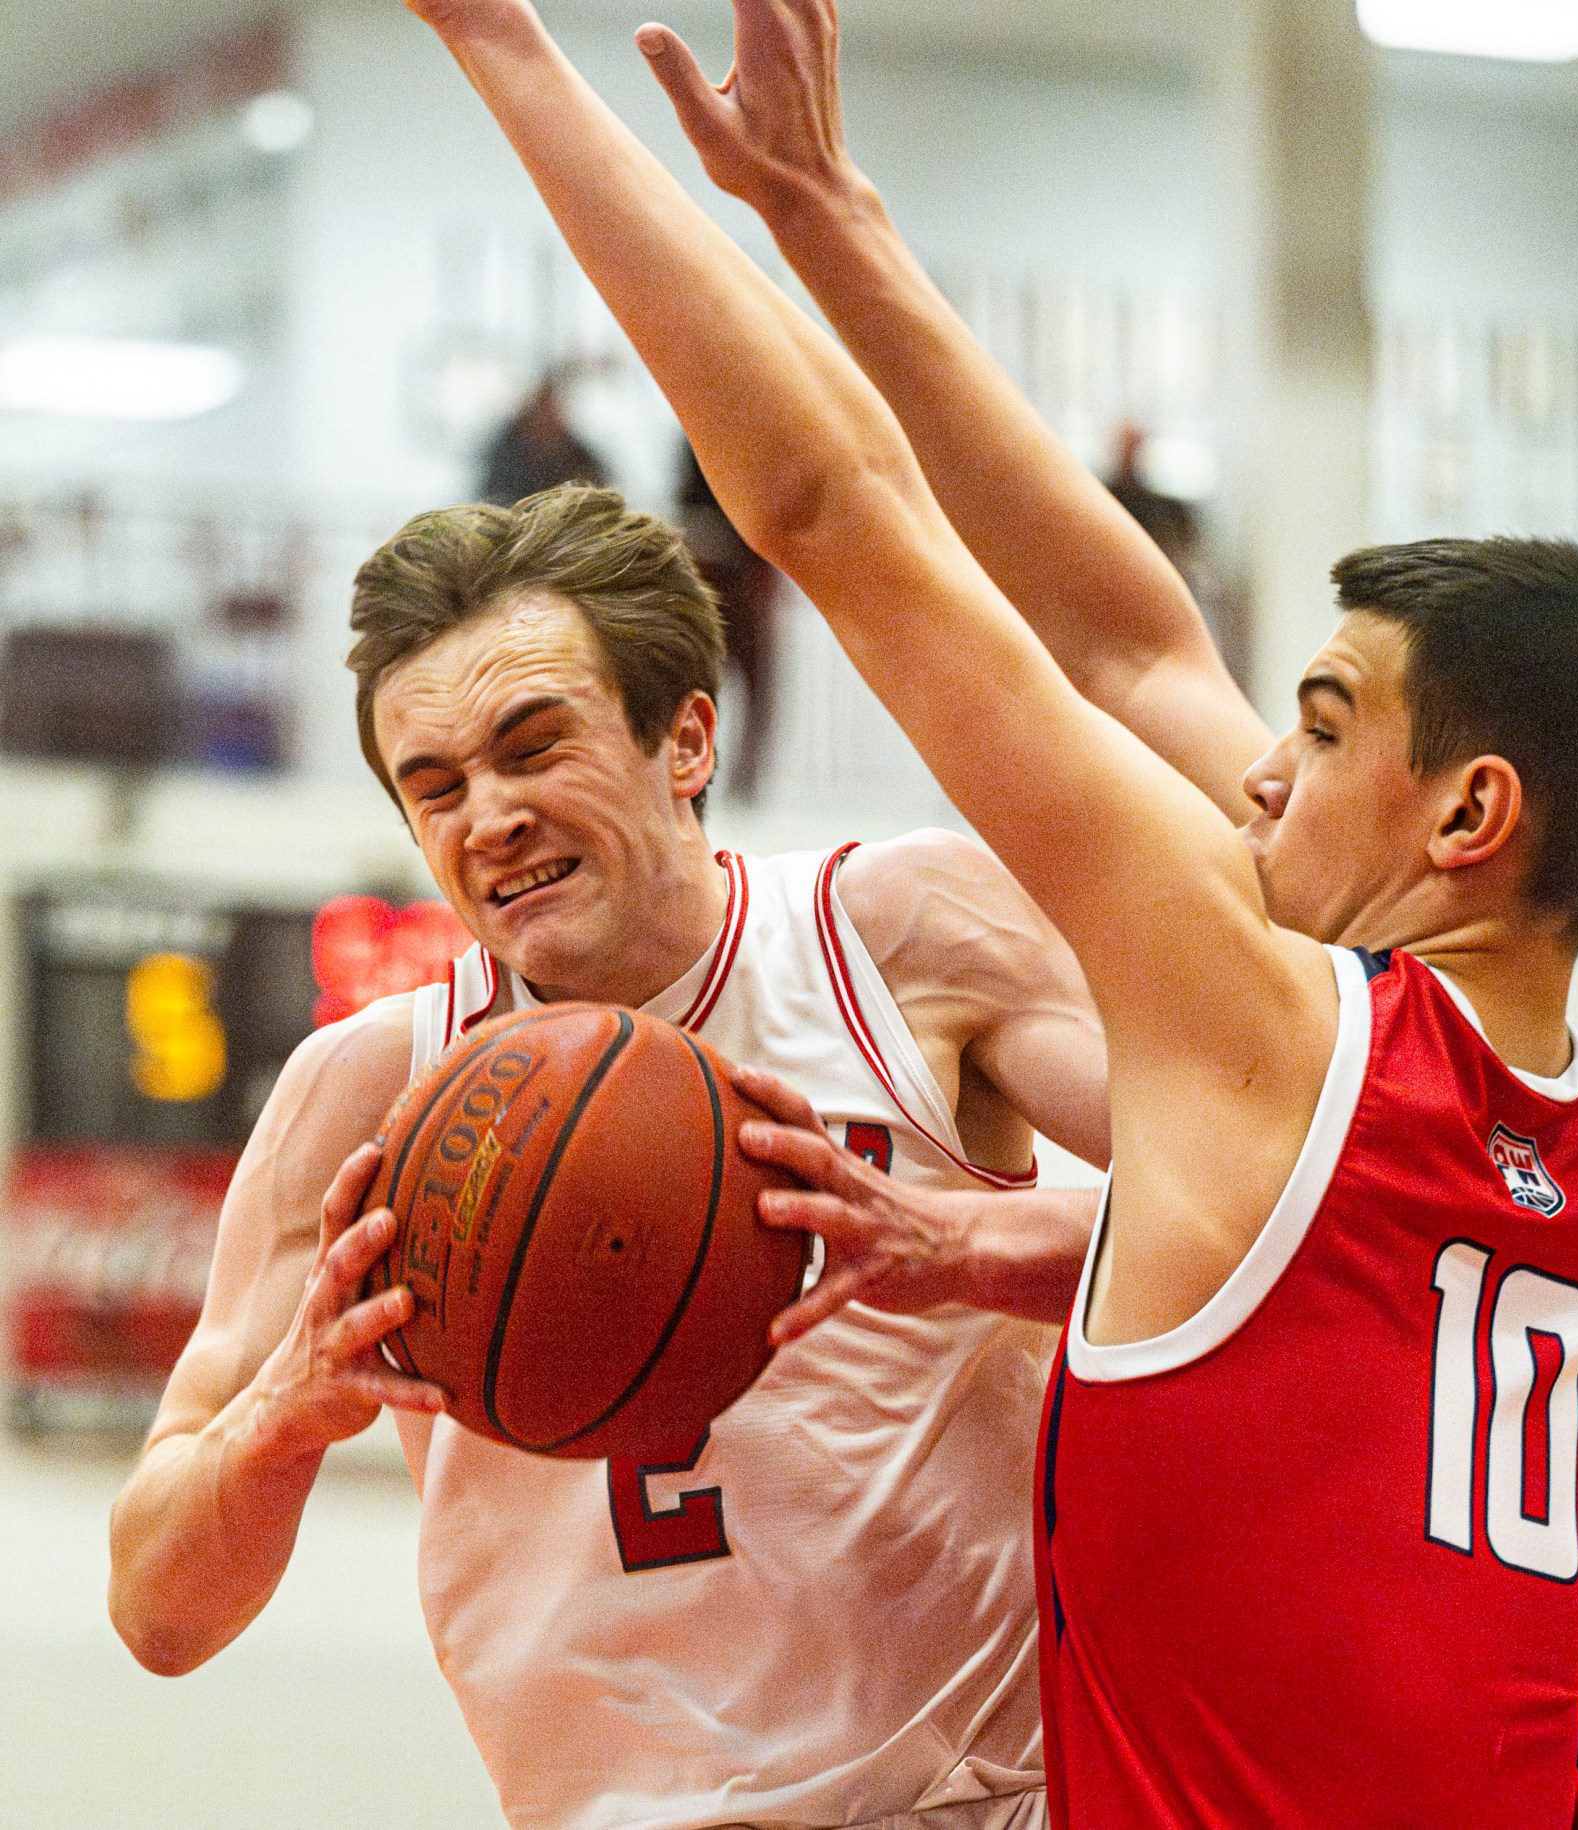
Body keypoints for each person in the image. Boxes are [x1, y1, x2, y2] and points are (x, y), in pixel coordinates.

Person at [403, 1, 1578, 1822]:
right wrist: (825, 213)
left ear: (1470, 815)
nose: (1253, 776)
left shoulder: (1273, 1026)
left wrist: (501, 47)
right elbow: (1132, 640)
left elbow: (834, 513)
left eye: (1320, 735)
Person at [108, 481, 1112, 1830]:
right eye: (439, 786)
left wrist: (958, 1242)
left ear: (687, 736)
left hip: (985, 1799)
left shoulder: (896, 936)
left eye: (535, 747)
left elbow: (1278, 1220)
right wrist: (285, 1408)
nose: (491, 816)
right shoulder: (365, 1095)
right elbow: (159, 1612)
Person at [676, 437, 783, 800]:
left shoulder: (764, 440)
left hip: (743, 575)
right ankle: (706, 773)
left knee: (759, 688)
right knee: (690, 684)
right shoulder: (696, 437)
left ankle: (745, 778)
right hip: (715, 573)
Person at [479, 369, 610, 504]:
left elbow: (599, 492)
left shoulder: (578, 455)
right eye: (542, 409)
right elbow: (495, 499)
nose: (547, 417)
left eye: (551, 408)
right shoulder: (507, 454)